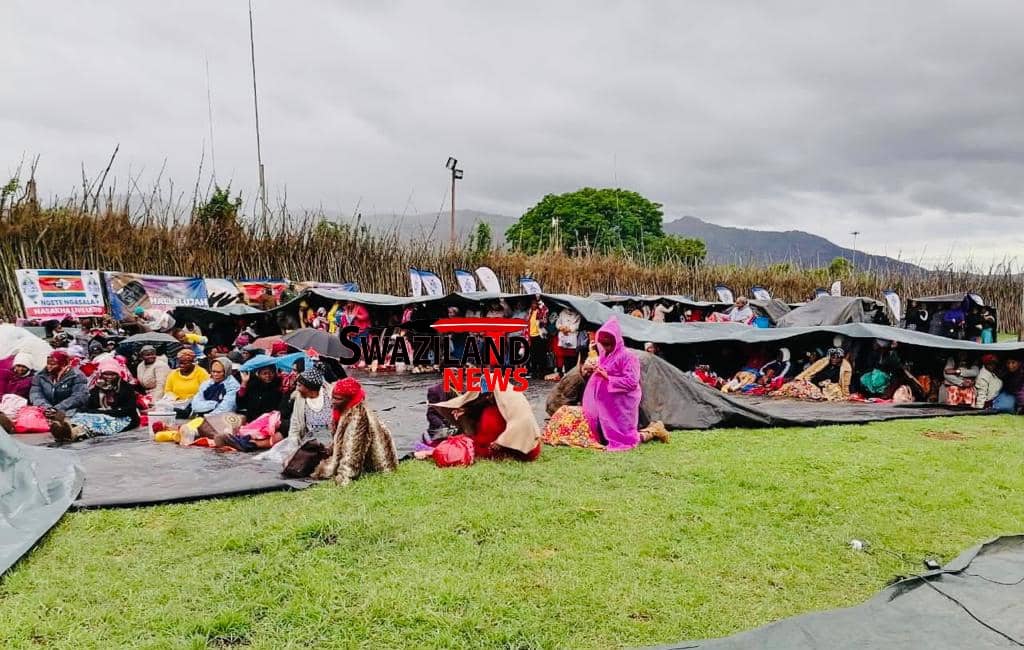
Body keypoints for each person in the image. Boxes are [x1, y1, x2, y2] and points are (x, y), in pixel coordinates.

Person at [581, 317, 664, 451]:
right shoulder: (605, 355)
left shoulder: (627, 356)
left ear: (616, 340)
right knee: (606, 436)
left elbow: (631, 382)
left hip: (622, 404)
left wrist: (608, 377)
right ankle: (654, 430)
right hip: (607, 406)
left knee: (627, 438)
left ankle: (654, 431)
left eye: (608, 344)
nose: (605, 347)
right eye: (603, 344)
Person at [312, 377, 399, 485]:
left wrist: (344, 478)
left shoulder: (357, 417)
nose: (333, 401)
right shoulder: (344, 408)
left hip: (376, 466)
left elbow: (353, 450)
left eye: (338, 399)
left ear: (349, 399)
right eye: (333, 397)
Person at [66, 358, 140, 439]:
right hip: (102, 413)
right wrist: (92, 411)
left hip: (123, 417)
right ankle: (69, 430)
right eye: (106, 374)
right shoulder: (97, 387)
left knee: (98, 421)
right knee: (79, 415)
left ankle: (78, 433)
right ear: (101, 374)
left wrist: (103, 412)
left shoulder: (126, 387)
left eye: (112, 374)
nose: (109, 377)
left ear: (118, 374)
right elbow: (88, 405)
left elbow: (129, 409)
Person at [280, 366, 334, 442]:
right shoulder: (300, 398)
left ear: (309, 388)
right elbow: (295, 423)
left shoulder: (331, 397)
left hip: (331, 439)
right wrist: (293, 441)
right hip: (309, 440)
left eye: (299, 385)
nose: (297, 389)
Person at [29, 351, 89, 416]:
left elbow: (79, 396)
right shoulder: (40, 376)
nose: (49, 367)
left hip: (70, 411)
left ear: (63, 365)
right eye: (48, 364)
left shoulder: (77, 376)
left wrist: (57, 408)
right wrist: (46, 407)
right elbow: (35, 394)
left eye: (53, 364)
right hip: (45, 410)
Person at [555, 307, 582, 376]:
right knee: (565, 356)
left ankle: (572, 374)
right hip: (563, 336)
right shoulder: (562, 313)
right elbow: (558, 323)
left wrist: (569, 329)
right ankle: (566, 373)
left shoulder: (577, 314)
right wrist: (562, 328)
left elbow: (577, 325)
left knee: (572, 357)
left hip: (572, 337)